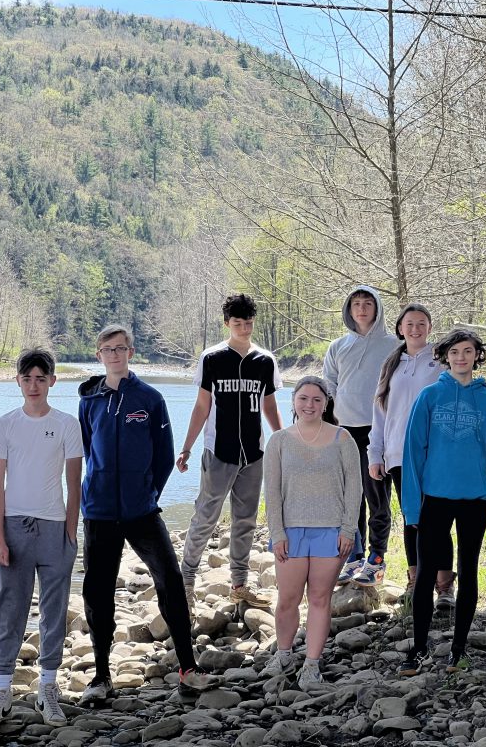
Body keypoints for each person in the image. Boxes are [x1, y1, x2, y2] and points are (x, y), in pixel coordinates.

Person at [77, 324, 218, 706]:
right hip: (100, 513)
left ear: (131, 353)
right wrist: (97, 490)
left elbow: (163, 455)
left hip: (142, 511)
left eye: (121, 348)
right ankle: (102, 675)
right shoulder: (88, 400)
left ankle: (188, 667)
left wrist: (148, 492)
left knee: (170, 579)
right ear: (99, 355)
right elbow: (89, 452)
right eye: (108, 349)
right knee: (97, 591)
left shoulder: (150, 399)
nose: (115, 355)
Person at [0, 348, 83, 733]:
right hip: (14, 530)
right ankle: (1, 691)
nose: (34, 385)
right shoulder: (4, 425)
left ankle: (48, 688)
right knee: (9, 609)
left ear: (52, 381)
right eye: (27, 378)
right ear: (18, 381)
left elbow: (75, 483)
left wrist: (71, 533)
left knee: (54, 612)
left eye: (41, 378)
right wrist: (0, 538)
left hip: (55, 530)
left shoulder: (67, 424)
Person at [398, 330, 486, 675]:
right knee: (426, 573)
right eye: (455, 352)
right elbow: (412, 453)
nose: (461, 357)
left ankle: (458, 650)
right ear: (445, 356)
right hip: (435, 499)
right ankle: (418, 650)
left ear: (477, 356)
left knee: (469, 570)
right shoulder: (430, 396)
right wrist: (412, 506)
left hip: (475, 500)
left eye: (468, 351)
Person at [177, 294, 283, 613]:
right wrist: (186, 447)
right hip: (218, 451)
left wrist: (281, 441)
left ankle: (239, 588)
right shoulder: (212, 358)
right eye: (237, 323)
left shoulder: (265, 360)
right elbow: (201, 406)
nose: (244, 329)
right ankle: (186, 583)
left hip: (253, 453)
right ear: (227, 323)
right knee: (205, 517)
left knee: (245, 520)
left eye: (248, 323)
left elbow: (269, 404)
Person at [261, 377, 362, 691]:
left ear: (326, 403)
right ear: (293, 401)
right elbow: (273, 493)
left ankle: (312, 665)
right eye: (303, 398)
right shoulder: (278, 441)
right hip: (290, 531)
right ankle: (284, 654)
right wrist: (277, 533)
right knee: (287, 599)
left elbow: (354, 489)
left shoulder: (342, 439)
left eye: (317, 400)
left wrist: (348, 529)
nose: (309, 405)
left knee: (320, 599)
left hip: (330, 532)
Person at [367, 304, 453, 603]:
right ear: (400, 328)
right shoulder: (391, 364)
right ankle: (416, 582)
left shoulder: (442, 361)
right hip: (399, 455)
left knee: (438, 519)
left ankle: (444, 586)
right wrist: (375, 453)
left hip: (436, 455)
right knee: (412, 518)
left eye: (421, 323)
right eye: (409, 324)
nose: (415, 328)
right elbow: (380, 413)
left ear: (429, 327)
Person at [322, 286, 400, 585]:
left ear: (378, 308)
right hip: (344, 429)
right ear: (349, 309)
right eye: (356, 303)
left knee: (377, 497)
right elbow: (329, 381)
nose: (362, 308)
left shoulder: (394, 345)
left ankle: (376, 559)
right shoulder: (338, 346)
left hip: (378, 430)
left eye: (368, 303)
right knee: (350, 499)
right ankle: (353, 557)